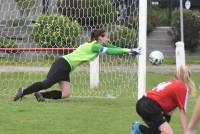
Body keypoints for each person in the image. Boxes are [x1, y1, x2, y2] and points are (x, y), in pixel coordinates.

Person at [13, 29, 141, 102]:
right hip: (62, 64)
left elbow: (114, 48)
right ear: (100, 38)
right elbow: (112, 51)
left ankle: (40, 95)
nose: (108, 39)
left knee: (66, 93)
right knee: (46, 83)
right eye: (106, 37)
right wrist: (129, 51)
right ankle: (23, 91)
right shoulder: (95, 46)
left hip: (66, 68)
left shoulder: (96, 45)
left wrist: (129, 51)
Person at [131, 65, 197, 134]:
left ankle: (138, 128)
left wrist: (165, 124)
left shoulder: (170, 83)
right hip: (150, 106)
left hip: (142, 103)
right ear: (187, 79)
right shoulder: (182, 87)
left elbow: (168, 113)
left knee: (158, 132)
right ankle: (139, 128)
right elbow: (183, 112)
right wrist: (186, 131)